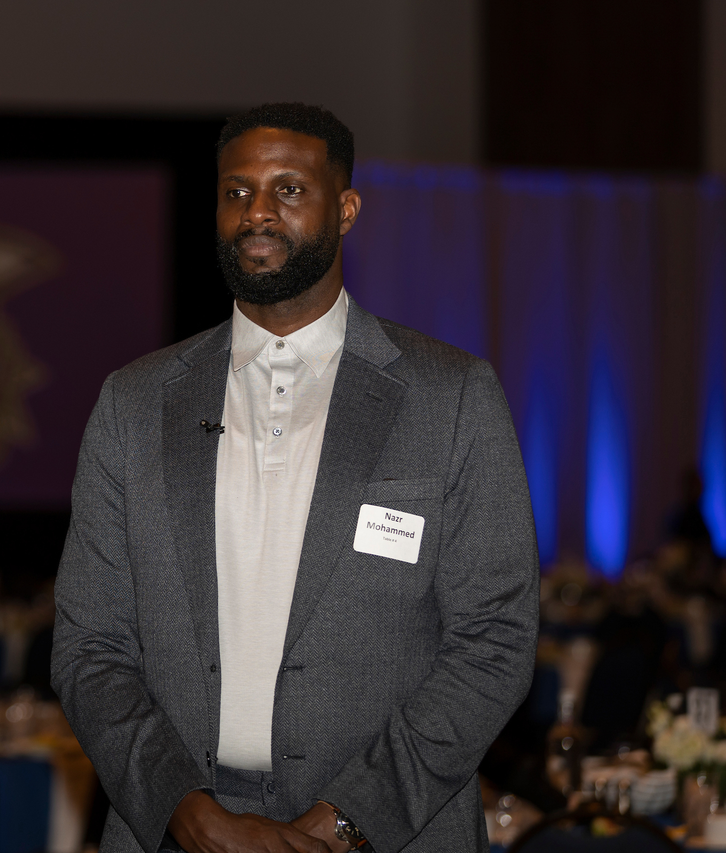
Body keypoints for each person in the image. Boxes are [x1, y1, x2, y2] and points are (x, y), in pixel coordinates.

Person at [51, 103, 539, 853]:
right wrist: (186, 810)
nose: (257, 212)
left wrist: (346, 817)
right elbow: (88, 645)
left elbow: (495, 642)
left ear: (345, 209)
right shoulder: (134, 401)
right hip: (179, 832)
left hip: (390, 834)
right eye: (237, 191)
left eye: (288, 189)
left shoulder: (453, 395)